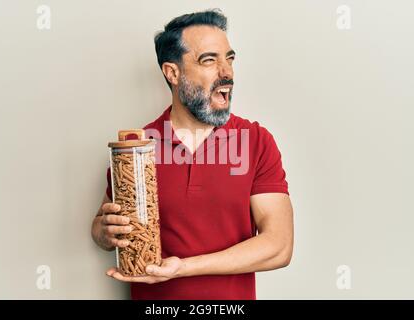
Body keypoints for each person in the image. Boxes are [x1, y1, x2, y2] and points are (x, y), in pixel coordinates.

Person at [91, 9, 294, 300]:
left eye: (230, 58)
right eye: (209, 60)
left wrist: (183, 268)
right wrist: (104, 231)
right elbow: (102, 229)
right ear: (172, 73)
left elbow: (279, 245)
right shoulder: (137, 150)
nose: (227, 72)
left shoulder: (256, 142)